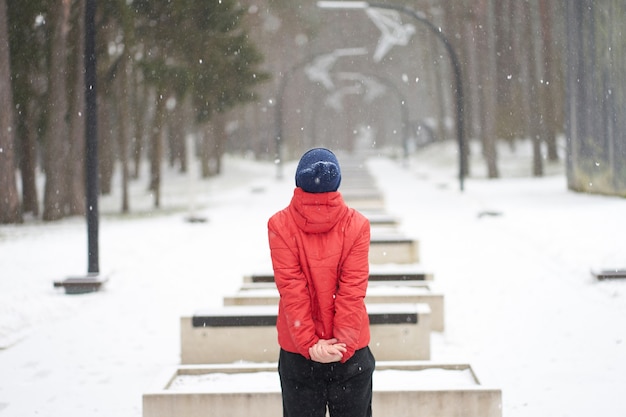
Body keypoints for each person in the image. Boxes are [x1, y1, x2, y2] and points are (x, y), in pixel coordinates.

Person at [267, 148, 375, 417]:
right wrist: (343, 345)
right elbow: (352, 291)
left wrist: (309, 344)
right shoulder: (357, 225)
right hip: (350, 356)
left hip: (299, 355)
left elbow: (292, 290)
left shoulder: (279, 225)